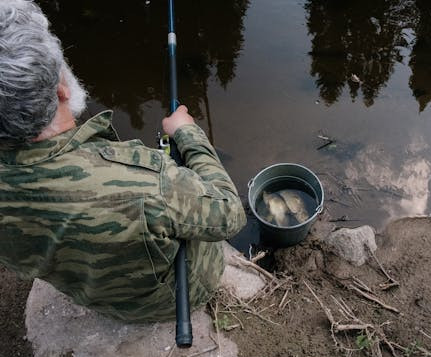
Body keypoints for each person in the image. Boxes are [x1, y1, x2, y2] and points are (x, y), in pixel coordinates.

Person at [0, 0, 246, 322]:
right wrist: (189, 135)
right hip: (170, 299)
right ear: (60, 90)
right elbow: (230, 211)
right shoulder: (145, 186)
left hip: (94, 296)